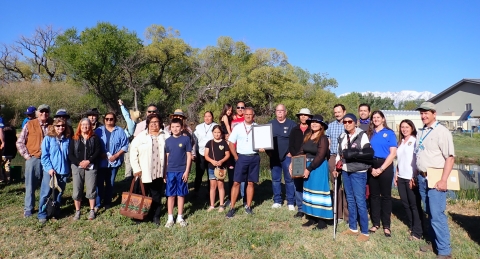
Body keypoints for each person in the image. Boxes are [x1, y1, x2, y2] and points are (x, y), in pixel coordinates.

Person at [415, 102, 454, 259]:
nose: (423, 116)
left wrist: (444, 180)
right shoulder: (421, 131)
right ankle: (434, 242)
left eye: (426, 113)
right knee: (429, 212)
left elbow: (450, 158)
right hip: (422, 177)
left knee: (437, 214)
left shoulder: (442, 132)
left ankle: (444, 251)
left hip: (436, 178)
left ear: (434, 114)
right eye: (422, 113)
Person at [290, 115, 333, 230]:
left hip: (317, 167)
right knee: (309, 192)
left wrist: (309, 169)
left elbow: (320, 156)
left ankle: (322, 221)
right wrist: (292, 163)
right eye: (312, 122)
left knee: (318, 192)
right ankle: (312, 218)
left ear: (321, 126)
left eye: (317, 123)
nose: (314, 124)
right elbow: (301, 150)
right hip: (307, 165)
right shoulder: (308, 136)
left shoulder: (323, 138)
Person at [335, 113, 372, 242]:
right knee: (350, 200)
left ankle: (365, 232)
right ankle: (353, 228)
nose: (347, 124)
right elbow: (339, 155)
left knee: (360, 201)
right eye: (345, 122)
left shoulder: (362, 135)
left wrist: (352, 154)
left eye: (349, 122)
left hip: (358, 172)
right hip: (345, 171)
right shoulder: (342, 136)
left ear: (355, 122)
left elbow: (368, 153)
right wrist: (336, 167)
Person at [16, 104, 53, 218]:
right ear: (37, 113)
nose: (44, 114)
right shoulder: (30, 124)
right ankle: (28, 208)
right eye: (41, 112)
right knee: (30, 185)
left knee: (47, 186)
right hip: (34, 158)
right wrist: (27, 156)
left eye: (46, 112)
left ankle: (45, 207)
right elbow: (20, 142)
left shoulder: (53, 125)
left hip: (48, 161)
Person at [130, 113, 167, 226]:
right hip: (144, 172)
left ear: (160, 123)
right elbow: (133, 152)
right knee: (142, 194)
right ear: (148, 124)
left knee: (156, 196)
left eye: (156, 122)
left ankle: (155, 216)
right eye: (151, 122)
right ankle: (139, 216)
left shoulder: (165, 135)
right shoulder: (141, 136)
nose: (154, 124)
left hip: (158, 172)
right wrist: (136, 168)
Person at [366, 110, 397, 237]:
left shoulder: (389, 133)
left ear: (383, 119)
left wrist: (381, 169)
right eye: (374, 117)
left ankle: (386, 225)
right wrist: (372, 168)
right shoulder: (370, 134)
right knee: (373, 196)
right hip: (372, 165)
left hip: (385, 165)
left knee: (385, 196)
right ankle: (375, 223)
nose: (376, 119)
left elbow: (393, 153)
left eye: (378, 117)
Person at [226, 107, 261, 218]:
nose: (248, 116)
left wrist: (264, 148)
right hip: (242, 158)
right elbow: (231, 143)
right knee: (236, 182)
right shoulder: (238, 127)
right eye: (246, 114)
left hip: (254, 157)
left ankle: (248, 206)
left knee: (251, 182)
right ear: (243, 115)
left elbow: (262, 142)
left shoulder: (258, 128)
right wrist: (236, 157)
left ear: (253, 115)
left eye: (250, 114)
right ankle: (232, 207)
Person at [37, 117, 71, 224]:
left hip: (63, 171)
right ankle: (42, 213)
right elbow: (45, 156)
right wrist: (49, 168)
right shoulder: (48, 139)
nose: (61, 127)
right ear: (54, 126)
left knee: (59, 193)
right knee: (46, 193)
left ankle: (55, 212)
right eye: (58, 126)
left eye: (63, 126)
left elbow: (70, 155)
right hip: (51, 171)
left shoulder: (67, 139)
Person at [395, 119, 423, 241]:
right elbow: (399, 160)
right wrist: (396, 173)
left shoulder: (415, 141)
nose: (404, 129)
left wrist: (415, 176)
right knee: (405, 204)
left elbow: (417, 159)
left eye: (407, 127)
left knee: (414, 205)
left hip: (411, 177)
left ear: (412, 128)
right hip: (401, 177)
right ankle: (412, 226)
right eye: (402, 127)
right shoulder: (401, 142)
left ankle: (418, 232)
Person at [94, 112, 129, 210]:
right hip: (101, 161)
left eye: (111, 119)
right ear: (104, 120)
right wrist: (100, 154)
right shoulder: (98, 131)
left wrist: (116, 155)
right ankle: (97, 203)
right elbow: (94, 144)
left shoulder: (120, 131)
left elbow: (125, 145)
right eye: (107, 119)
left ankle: (107, 202)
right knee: (99, 183)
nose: (109, 121)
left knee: (110, 183)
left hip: (114, 162)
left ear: (115, 120)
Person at [69, 118, 101, 220]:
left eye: (87, 125)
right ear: (79, 126)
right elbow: (70, 154)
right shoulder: (74, 138)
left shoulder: (94, 138)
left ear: (90, 126)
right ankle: (78, 211)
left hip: (91, 166)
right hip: (77, 167)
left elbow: (98, 151)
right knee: (77, 189)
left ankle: (92, 210)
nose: (84, 126)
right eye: (82, 124)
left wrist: (89, 161)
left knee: (91, 188)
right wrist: (79, 163)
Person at [164, 118, 192, 227]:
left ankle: (180, 217)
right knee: (170, 195)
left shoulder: (186, 140)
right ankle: (170, 218)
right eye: (173, 127)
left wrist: (187, 171)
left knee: (181, 194)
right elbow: (166, 157)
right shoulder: (168, 141)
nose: (175, 129)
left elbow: (189, 156)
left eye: (177, 127)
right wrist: (165, 172)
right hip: (170, 171)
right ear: (170, 128)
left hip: (181, 171)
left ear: (182, 127)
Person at [269, 104, 297, 210]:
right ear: (275, 112)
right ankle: (277, 201)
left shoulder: (292, 124)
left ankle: (290, 202)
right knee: (276, 179)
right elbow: (265, 140)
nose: (280, 113)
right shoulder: (270, 124)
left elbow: (296, 140)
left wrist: (291, 152)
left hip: (287, 156)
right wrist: (268, 152)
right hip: (274, 156)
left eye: (282, 111)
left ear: (286, 112)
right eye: (278, 111)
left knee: (289, 180)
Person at [326, 104, 349, 223]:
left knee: (347, 186)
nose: (337, 114)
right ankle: (338, 214)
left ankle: (347, 215)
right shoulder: (330, 126)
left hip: (346, 158)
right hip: (333, 156)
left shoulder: (348, 124)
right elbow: (328, 141)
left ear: (344, 112)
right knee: (336, 186)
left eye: (339, 112)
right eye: (335, 112)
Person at [288, 108, 312, 218]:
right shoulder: (294, 130)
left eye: (305, 115)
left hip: (309, 160)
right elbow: (291, 145)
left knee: (308, 184)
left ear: (309, 117)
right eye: (301, 115)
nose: (303, 117)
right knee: (297, 185)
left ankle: (309, 208)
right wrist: (296, 156)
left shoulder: (312, 129)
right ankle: (300, 209)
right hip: (297, 160)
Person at [204, 125, 230, 212]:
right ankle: (212, 205)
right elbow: (206, 155)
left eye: (218, 132)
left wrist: (221, 161)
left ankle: (221, 204)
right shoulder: (209, 143)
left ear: (221, 133)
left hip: (221, 168)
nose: (217, 134)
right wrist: (212, 161)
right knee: (212, 186)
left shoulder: (224, 143)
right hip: (211, 167)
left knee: (221, 185)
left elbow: (227, 154)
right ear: (212, 133)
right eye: (215, 132)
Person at [193, 111, 218, 196]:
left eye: (209, 116)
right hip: (201, 154)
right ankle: (196, 191)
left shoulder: (216, 126)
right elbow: (194, 141)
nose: (207, 118)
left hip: (212, 155)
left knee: (211, 175)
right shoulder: (199, 127)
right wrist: (194, 153)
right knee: (199, 174)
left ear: (212, 117)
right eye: (205, 116)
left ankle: (210, 192)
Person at [118, 99, 138, 182]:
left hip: (129, 143)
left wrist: (121, 106)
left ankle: (128, 176)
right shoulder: (135, 123)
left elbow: (125, 115)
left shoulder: (130, 123)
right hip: (132, 141)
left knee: (128, 159)